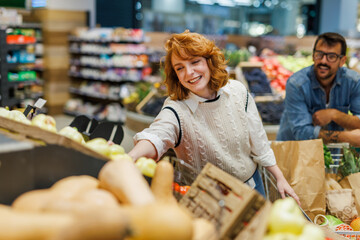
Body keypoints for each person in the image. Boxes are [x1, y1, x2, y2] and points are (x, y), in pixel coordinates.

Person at [128, 30, 299, 204]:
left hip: (252, 188)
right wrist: (130, 157)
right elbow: (157, 135)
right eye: (180, 68)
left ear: (209, 62)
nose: (189, 73)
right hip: (206, 201)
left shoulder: (237, 91)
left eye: (195, 62)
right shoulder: (176, 108)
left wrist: (279, 177)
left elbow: (259, 140)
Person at [276, 32, 360, 146]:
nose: (323, 61)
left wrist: (335, 115)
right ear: (313, 55)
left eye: (331, 57)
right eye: (319, 54)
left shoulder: (353, 82)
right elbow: (302, 133)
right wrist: (347, 137)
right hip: (293, 152)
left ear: (342, 61)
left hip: (330, 154)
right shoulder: (296, 84)